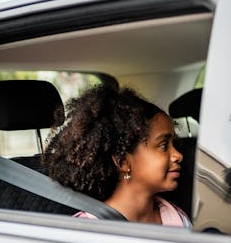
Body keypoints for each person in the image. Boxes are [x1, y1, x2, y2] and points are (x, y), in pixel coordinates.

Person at [43, 84, 191, 228]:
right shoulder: (87, 232)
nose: (178, 155)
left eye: (174, 144)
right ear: (123, 161)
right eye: (163, 145)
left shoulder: (177, 218)